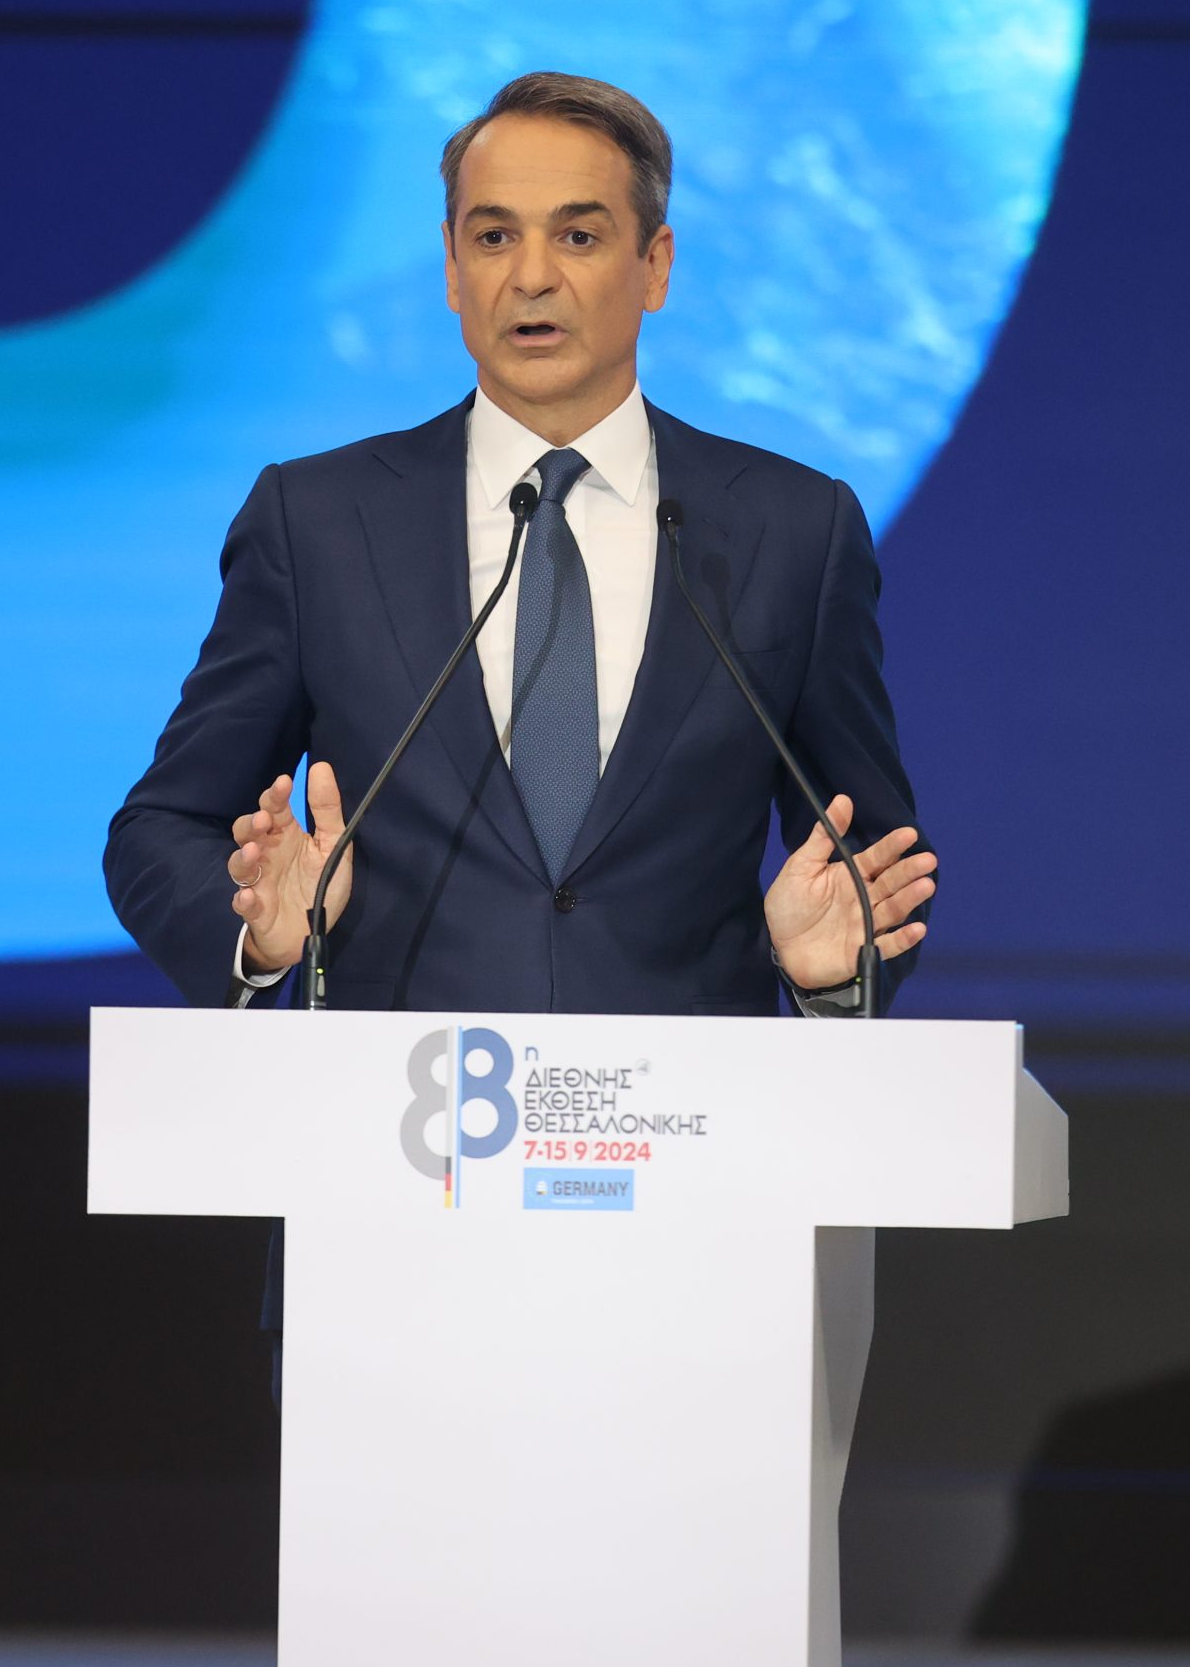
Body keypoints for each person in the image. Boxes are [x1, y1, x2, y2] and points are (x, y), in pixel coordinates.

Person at [104, 71, 934, 1017]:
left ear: (655, 266)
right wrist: (259, 932)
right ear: (452, 270)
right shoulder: (319, 523)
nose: (531, 276)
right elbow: (162, 827)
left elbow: (871, 858)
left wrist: (832, 971)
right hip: (389, 1100)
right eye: (494, 237)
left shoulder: (792, 529)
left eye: (578, 236)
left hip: (684, 1100)